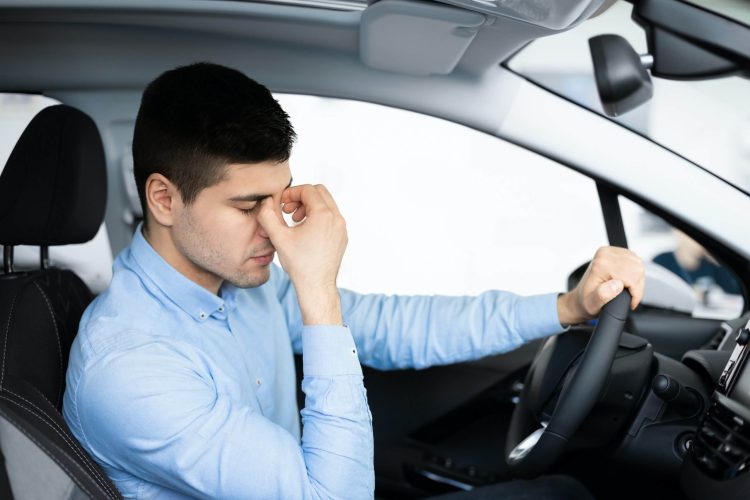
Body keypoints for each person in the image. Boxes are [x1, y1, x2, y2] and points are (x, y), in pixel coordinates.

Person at [62, 62, 645, 499]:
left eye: (279, 197)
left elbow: (393, 327)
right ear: (164, 199)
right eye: (247, 207)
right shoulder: (130, 367)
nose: (275, 226)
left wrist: (567, 307)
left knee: (561, 493)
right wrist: (317, 290)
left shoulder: (240, 283)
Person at [653, 229, 741, 296]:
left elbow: (735, 290)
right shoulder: (661, 262)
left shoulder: (710, 264)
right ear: (678, 234)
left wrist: (721, 262)